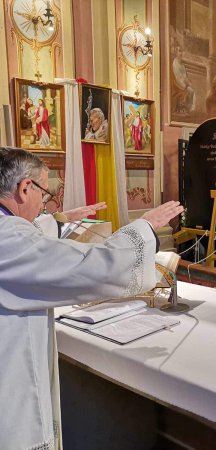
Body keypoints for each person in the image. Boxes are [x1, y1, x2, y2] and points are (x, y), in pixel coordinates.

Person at [0, 147, 184, 450]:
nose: (44, 206)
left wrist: (58, 221)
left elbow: (31, 239)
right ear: (24, 188)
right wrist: (145, 228)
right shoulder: (10, 240)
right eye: (44, 195)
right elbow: (88, 266)